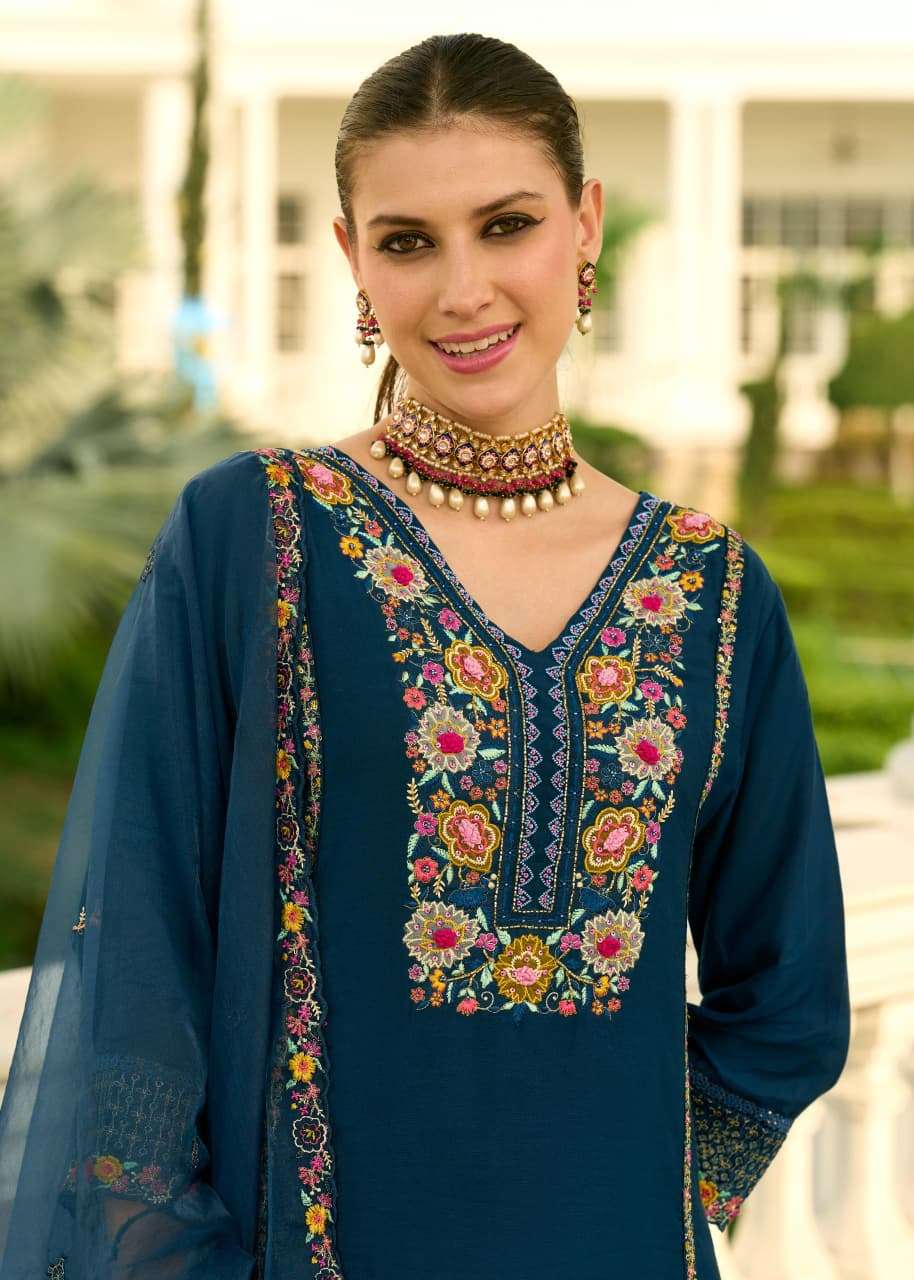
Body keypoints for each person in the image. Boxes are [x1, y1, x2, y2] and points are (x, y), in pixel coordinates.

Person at [0, 31, 850, 1280]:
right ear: (352, 257)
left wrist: (656, 1185)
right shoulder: (254, 535)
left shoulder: (707, 589)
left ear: (583, 224)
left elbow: (788, 995)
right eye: (407, 242)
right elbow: (141, 950)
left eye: (506, 225)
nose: (462, 290)